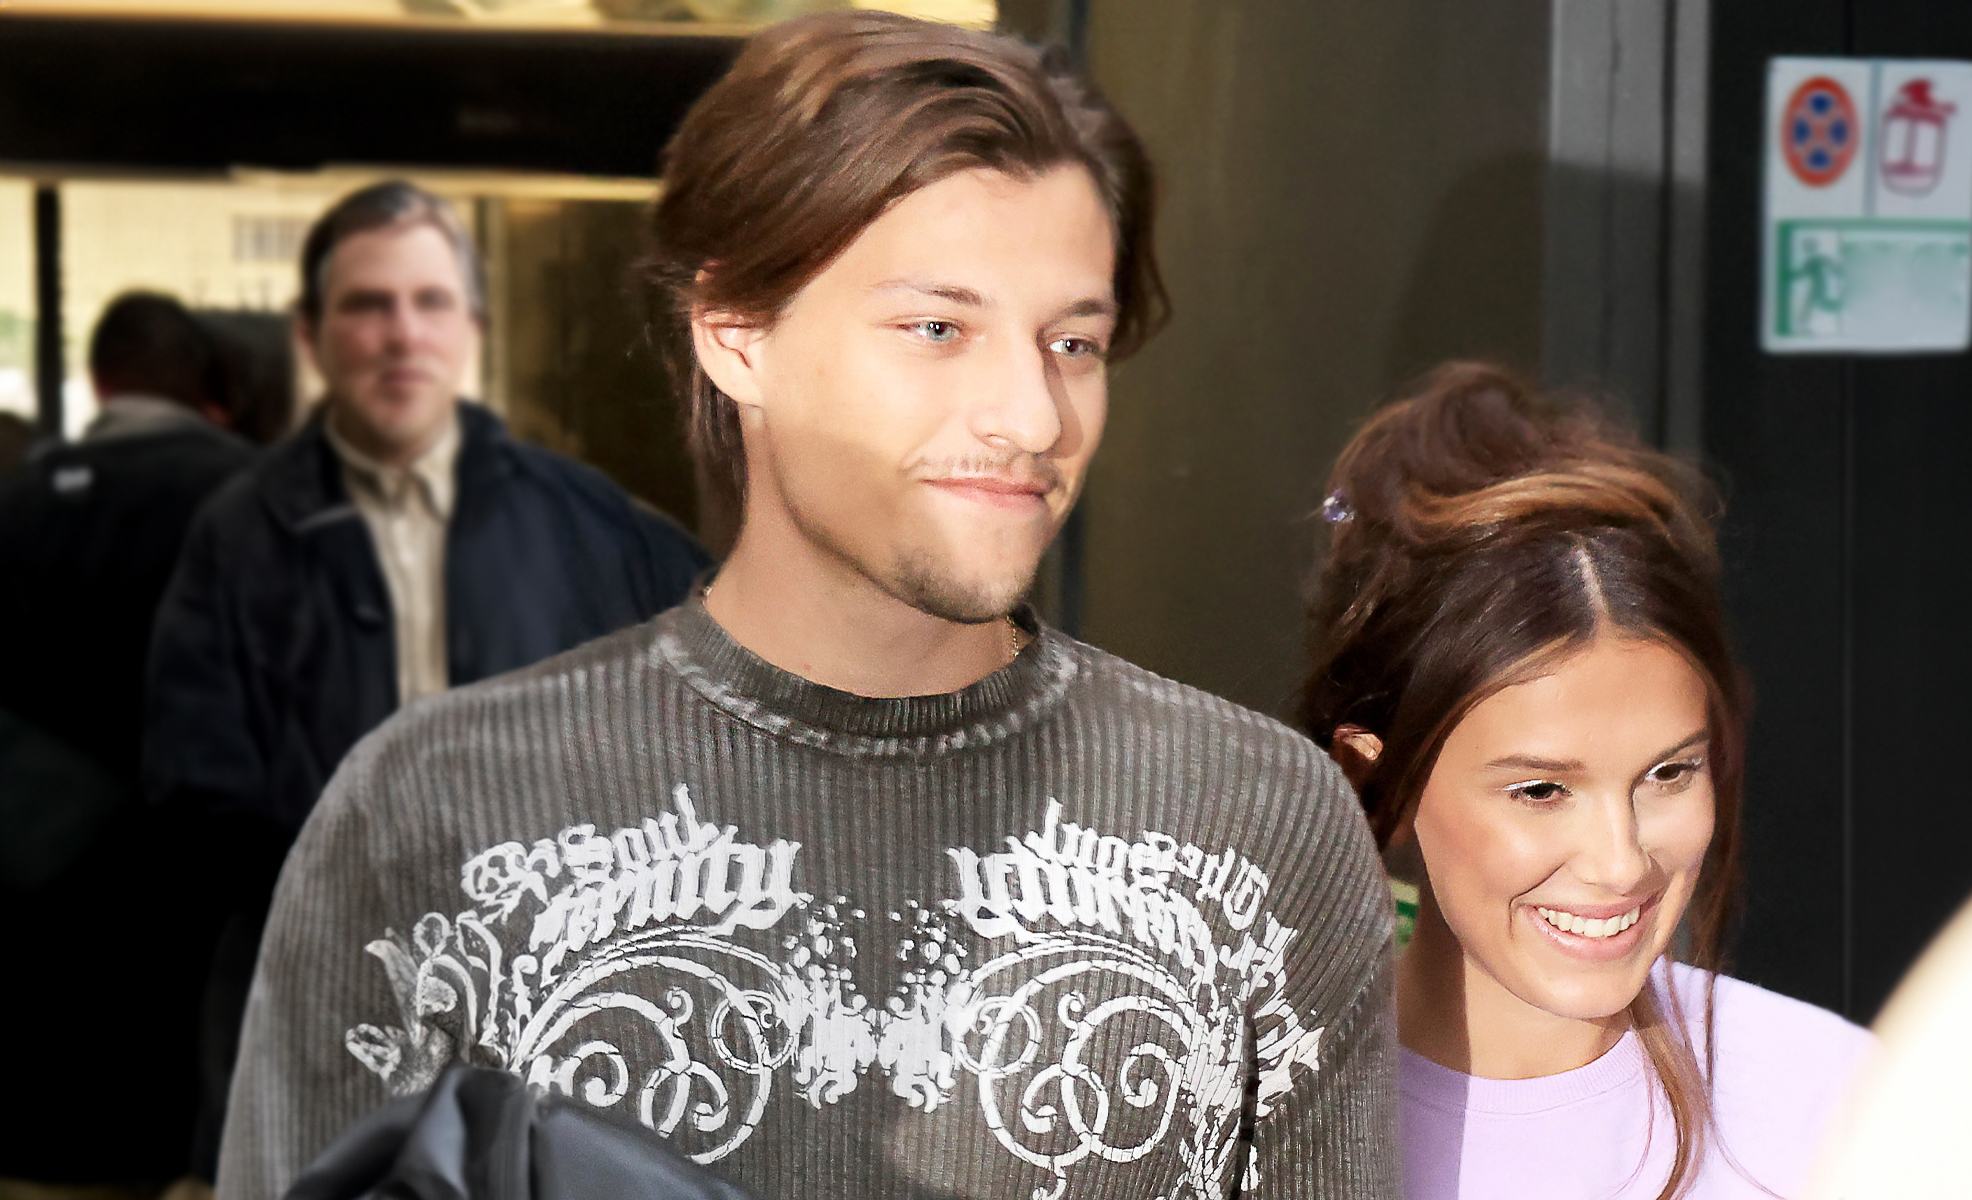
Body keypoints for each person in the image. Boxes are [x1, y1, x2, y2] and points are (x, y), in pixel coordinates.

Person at [214, 13, 1397, 1200]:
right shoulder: (431, 811)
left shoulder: (1257, 826)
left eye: (1072, 344)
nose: (1034, 418)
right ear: (736, 333)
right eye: (938, 328)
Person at [148, 181, 712, 1183]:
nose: (401, 333)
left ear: (473, 329)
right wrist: (383, 912)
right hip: (313, 1041)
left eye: (431, 302)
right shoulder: (238, 536)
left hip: (551, 1067)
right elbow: (196, 795)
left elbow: (704, 750)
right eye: (368, 305)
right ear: (312, 336)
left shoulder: (596, 530)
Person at [1299, 363, 1872, 1200]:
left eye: (1670, 773)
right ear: (1377, 783)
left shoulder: (1836, 1106)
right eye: (1540, 790)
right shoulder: (1250, 1118)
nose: (1620, 863)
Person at [0, 292, 258, 1194]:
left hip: (42, 873)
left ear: (100, 381)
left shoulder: (23, 499)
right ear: (202, 383)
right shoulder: (261, 495)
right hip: (202, 875)